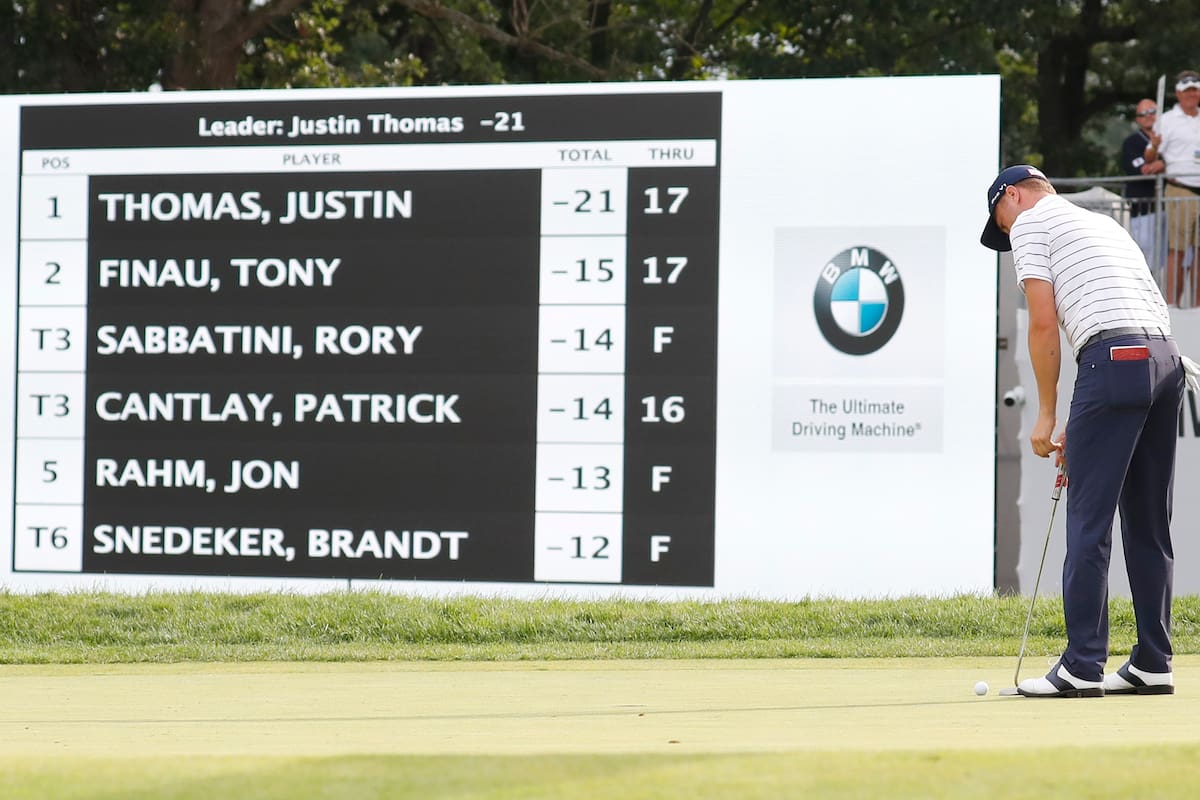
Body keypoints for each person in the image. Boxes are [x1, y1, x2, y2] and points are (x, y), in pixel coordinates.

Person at [981, 164, 1185, 698]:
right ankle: (1152, 661)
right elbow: (1133, 323)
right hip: (1164, 361)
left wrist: (1046, 415)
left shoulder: (1029, 223)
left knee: (1088, 519)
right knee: (1148, 521)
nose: (1005, 235)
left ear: (1013, 196)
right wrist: (1089, 406)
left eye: (998, 222)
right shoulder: (1104, 224)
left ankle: (1082, 664)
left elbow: (1045, 323)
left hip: (1114, 360)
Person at [1145, 70, 1200, 307]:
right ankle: (1172, 306)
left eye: (1195, 90)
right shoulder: (1166, 119)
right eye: (1187, 91)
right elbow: (1149, 157)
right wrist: (1154, 147)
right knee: (1177, 249)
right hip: (1179, 190)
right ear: (1178, 93)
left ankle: (1197, 305)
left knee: (1199, 253)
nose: (1191, 95)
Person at [1121, 98, 1165, 265]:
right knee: (1144, 260)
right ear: (1137, 119)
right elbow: (1140, 170)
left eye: (1152, 112)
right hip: (1143, 211)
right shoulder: (1132, 142)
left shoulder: (1168, 138)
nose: (1148, 116)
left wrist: (1163, 165)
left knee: (1167, 261)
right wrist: (1156, 165)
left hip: (1167, 207)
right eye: (1143, 113)